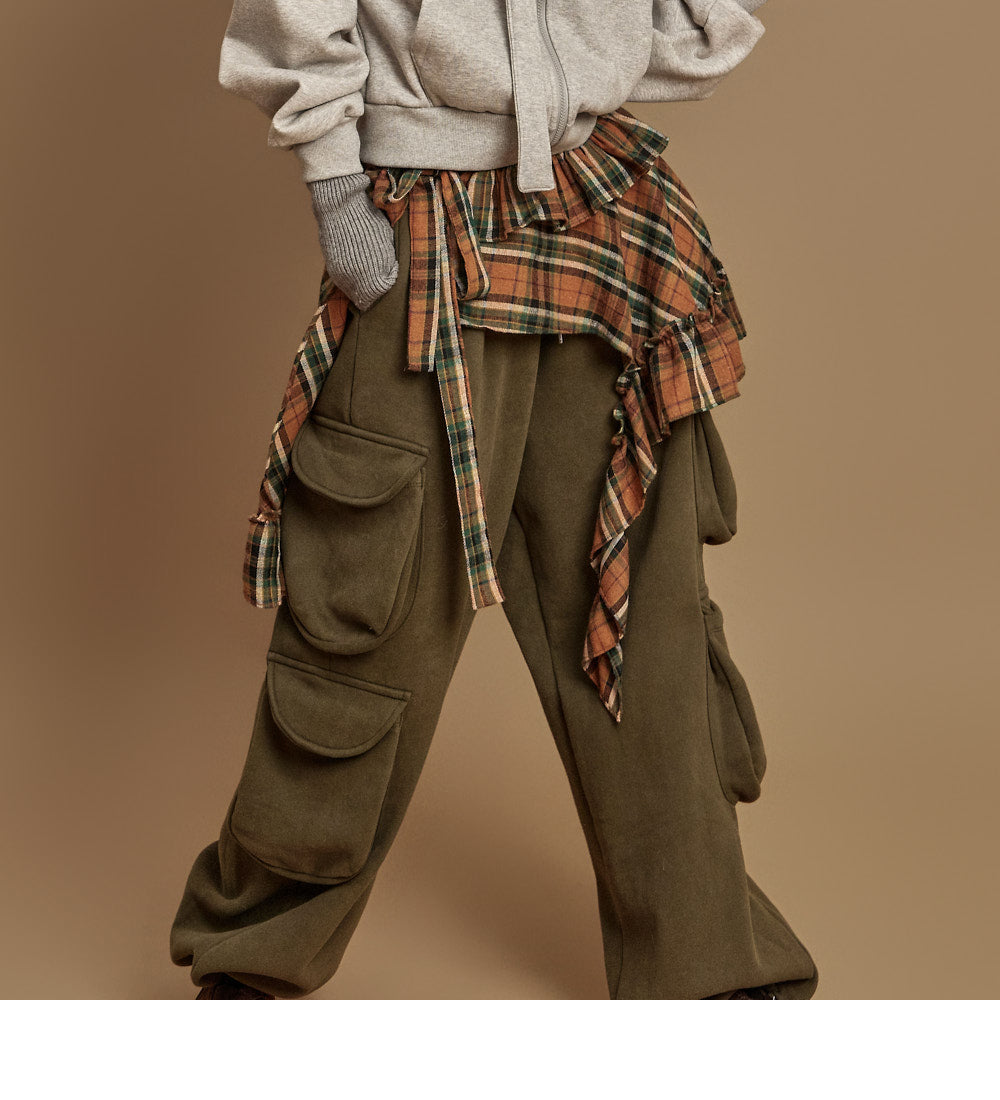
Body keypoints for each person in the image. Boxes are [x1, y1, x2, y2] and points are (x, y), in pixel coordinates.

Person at [170, 0, 819, 1000]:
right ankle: (252, 958)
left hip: (598, 202)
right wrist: (336, 182)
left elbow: (701, 33)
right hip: (424, 218)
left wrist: (586, 63)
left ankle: (708, 964)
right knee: (370, 609)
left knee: (642, 611)